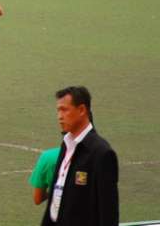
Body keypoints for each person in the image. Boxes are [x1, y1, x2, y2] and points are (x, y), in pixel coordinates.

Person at [41, 86, 119, 226]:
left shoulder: (101, 153)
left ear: (82, 110)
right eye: (58, 110)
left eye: (64, 109)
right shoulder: (66, 144)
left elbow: (108, 211)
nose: (59, 116)